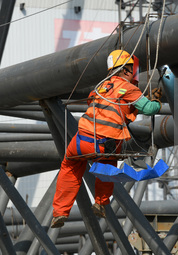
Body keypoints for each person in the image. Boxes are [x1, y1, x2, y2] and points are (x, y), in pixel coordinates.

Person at [51, 50, 162, 228]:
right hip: (104, 145)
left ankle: (60, 212)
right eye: (132, 69)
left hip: (80, 141)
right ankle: (101, 203)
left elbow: (101, 104)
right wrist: (156, 102)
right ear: (126, 70)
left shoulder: (101, 87)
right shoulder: (129, 88)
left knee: (69, 166)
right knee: (108, 165)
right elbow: (148, 109)